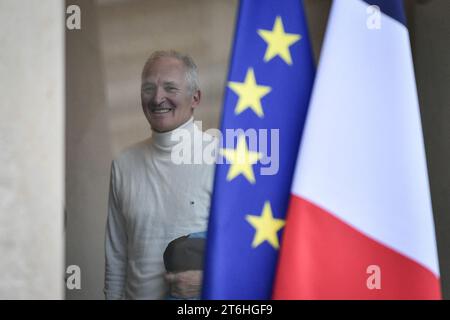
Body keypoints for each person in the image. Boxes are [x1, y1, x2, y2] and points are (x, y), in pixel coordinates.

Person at [104, 50, 215, 299]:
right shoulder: (123, 164)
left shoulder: (221, 159)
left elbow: (248, 249)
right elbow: (117, 256)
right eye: (148, 88)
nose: (157, 98)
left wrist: (209, 280)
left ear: (195, 97)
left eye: (170, 88)